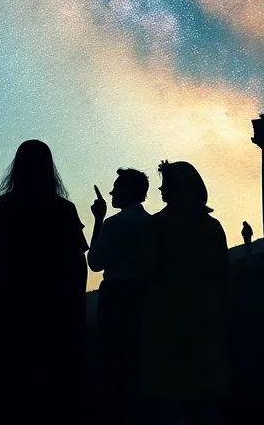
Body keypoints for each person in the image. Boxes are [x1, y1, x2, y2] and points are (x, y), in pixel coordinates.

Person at [0, 139, 87, 425]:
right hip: (55, 313)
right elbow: (78, 268)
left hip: (8, 311)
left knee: (11, 391)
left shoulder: (1, 208)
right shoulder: (64, 210)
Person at [139, 161, 229, 425]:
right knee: (205, 399)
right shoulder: (212, 226)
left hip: (166, 322)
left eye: (165, 184)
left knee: (171, 400)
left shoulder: (158, 226)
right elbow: (222, 276)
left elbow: (146, 271)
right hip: (207, 320)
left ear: (178, 188)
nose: (161, 188)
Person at [88, 168, 152, 424]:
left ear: (129, 190)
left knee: (113, 366)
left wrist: (98, 220)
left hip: (115, 299)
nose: (112, 191)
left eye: (117, 187)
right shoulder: (152, 224)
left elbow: (94, 262)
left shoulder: (114, 224)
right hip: (144, 297)